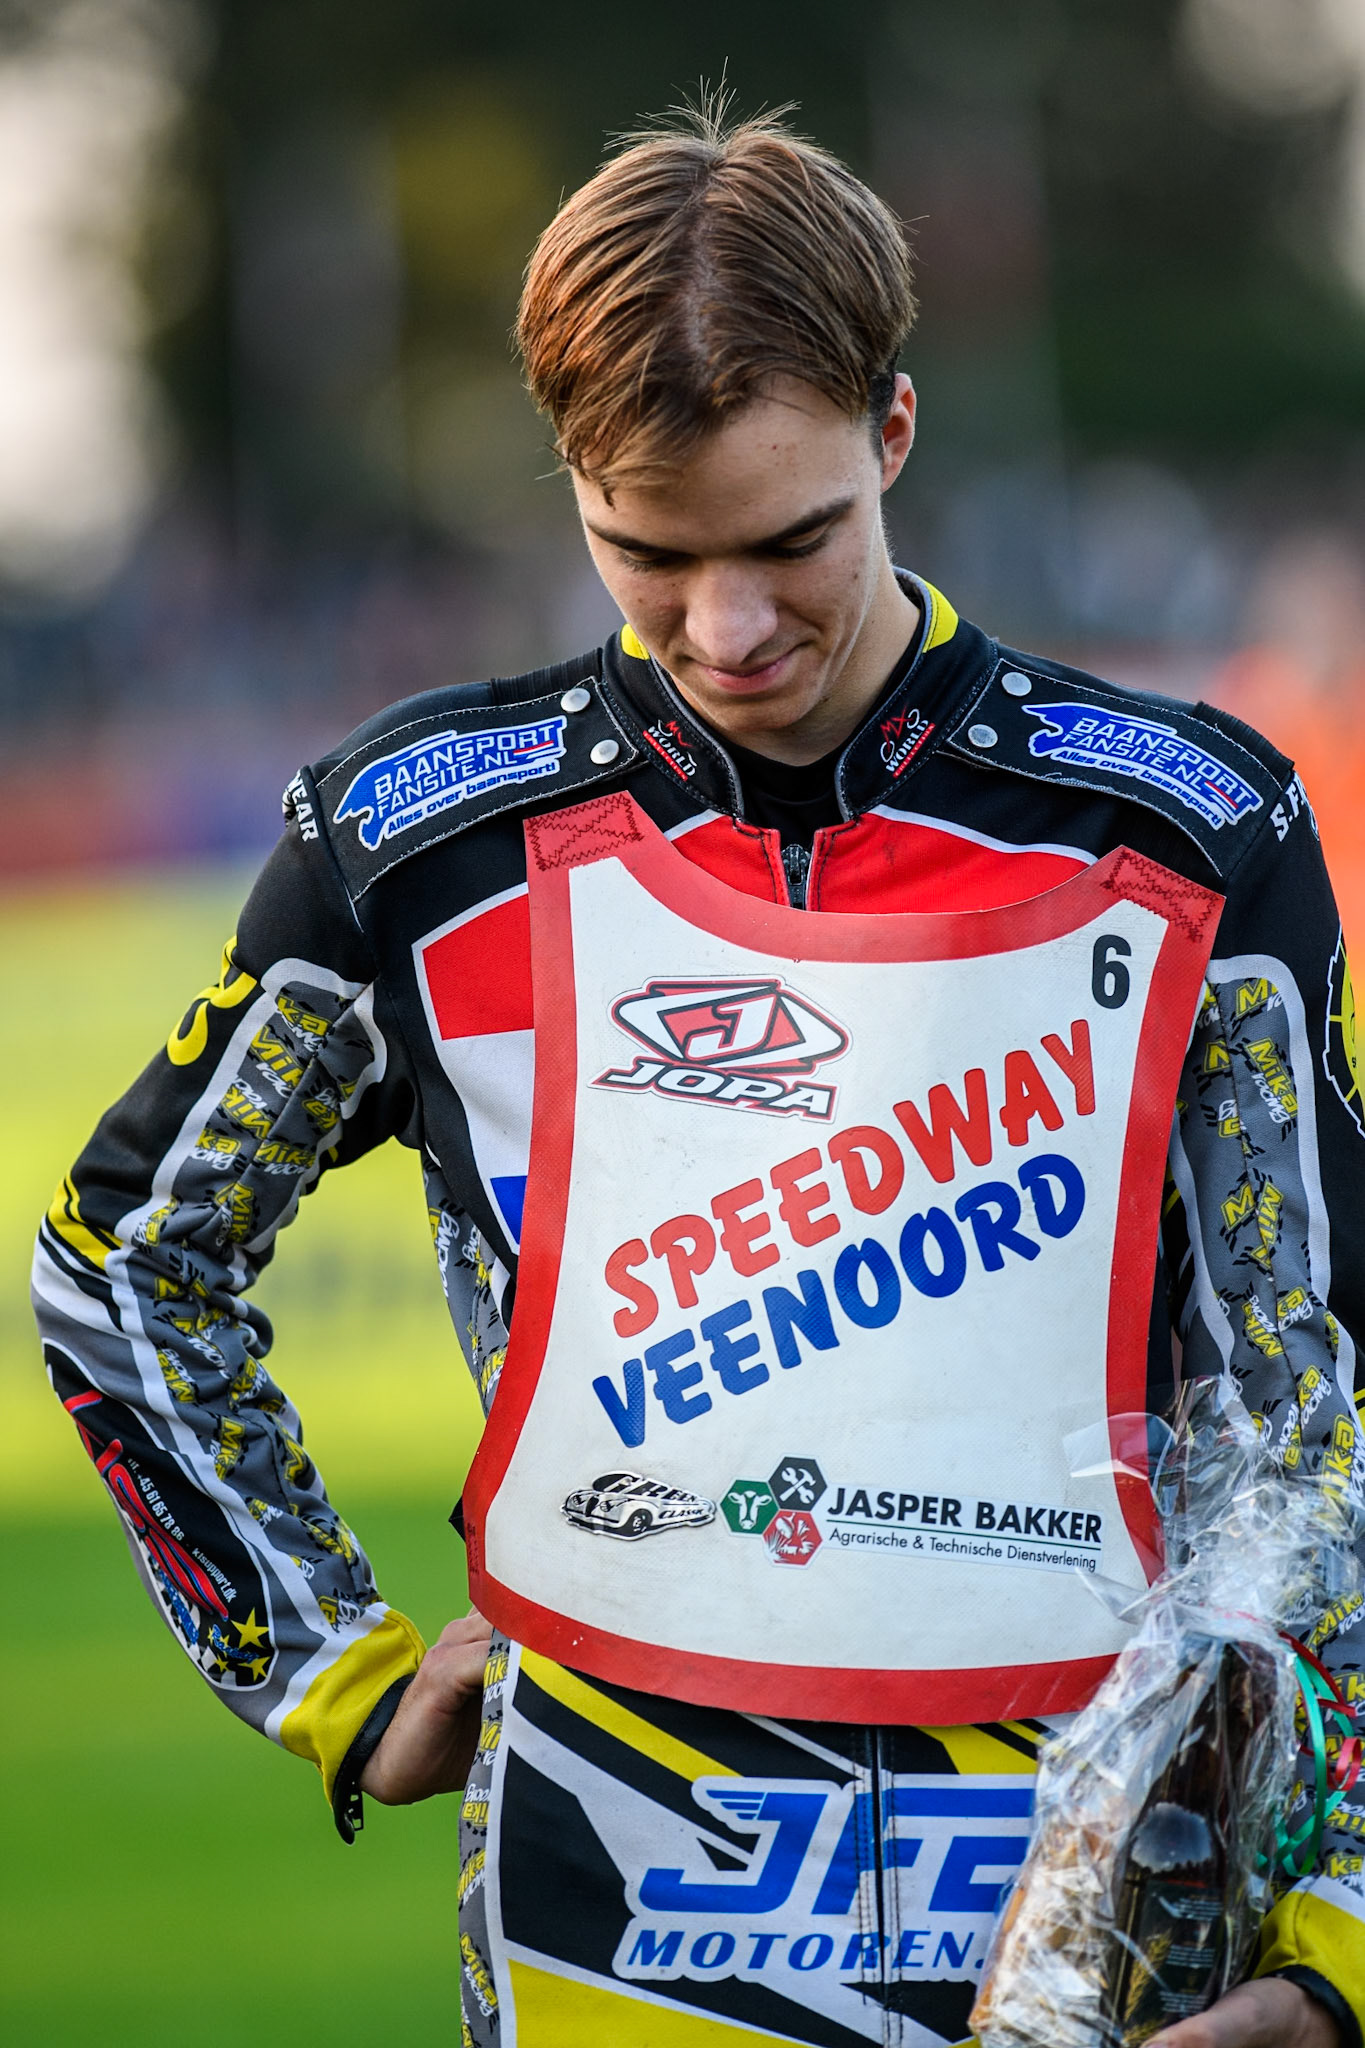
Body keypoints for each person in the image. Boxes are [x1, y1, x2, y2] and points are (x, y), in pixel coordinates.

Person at [33, 106, 1363, 2048]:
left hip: (1090, 1921)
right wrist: (319, 1659)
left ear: (892, 434)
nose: (724, 629)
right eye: (645, 553)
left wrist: (1334, 1937)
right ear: (566, 478)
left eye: (788, 540)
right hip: (612, 1907)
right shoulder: (416, 841)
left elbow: (1323, 1409)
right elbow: (121, 1265)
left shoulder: (1179, 832)